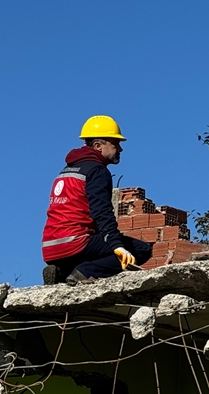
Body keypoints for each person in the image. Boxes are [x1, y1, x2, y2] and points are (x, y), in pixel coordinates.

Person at [41, 115, 152, 285]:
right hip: (76, 243)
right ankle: (84, 273)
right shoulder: (97, 171)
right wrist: (117, 246)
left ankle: (61, 272)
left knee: (95, 246)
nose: (120, 149)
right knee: (140, 250)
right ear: (98, 146)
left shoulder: (65, 171)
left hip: (51, 248)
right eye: (115, 143)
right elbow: (102, 211)